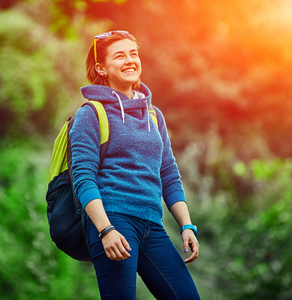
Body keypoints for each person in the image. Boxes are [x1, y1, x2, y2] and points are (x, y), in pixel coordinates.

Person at [70, 30, 201, 300]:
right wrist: (105, 229)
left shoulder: (154, 115)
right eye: (119, 56)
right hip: (114, 220)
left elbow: (168, 174)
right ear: (101, 68)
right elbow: (83, 178)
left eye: (133, 53)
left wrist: (186, 225)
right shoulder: (90, 114)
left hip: (152, 225)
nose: (130, 60)